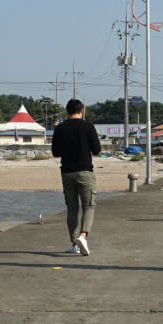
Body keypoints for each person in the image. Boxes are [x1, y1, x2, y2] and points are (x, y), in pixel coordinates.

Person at [51, 98, 101, 255]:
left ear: (67, 111)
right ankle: (83, 236)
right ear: (82, 110)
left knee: (72, 208)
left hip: (66, 172)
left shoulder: (60, 128)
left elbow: (55, 152)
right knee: (89, 206)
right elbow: (97, 150)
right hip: (85, 171)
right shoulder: (88, 126)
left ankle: (74, 244)